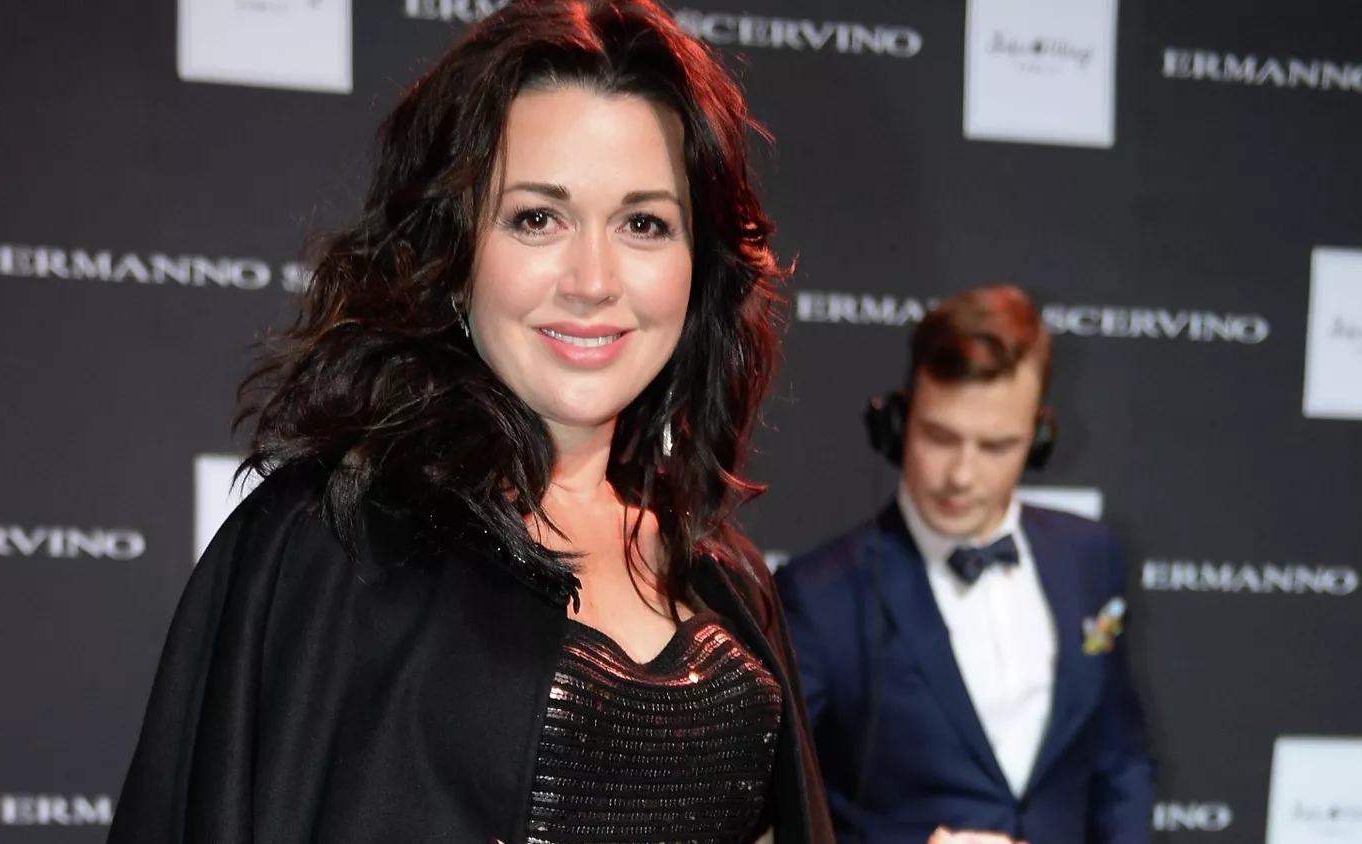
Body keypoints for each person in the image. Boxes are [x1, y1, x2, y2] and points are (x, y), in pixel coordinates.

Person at [104, 2, 833, 842]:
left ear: (697, 269)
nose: (592, 280)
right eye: (537, 218)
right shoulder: (328, 551)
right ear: (453, 255)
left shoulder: (728, 579)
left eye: (644, 224)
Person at [774, 286, 1154, 844]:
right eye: (940, 436)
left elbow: (1120, 759)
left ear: (1039, 438)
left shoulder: (1090, 555)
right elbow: (776, 810)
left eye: (996, 446)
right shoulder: (817, 595)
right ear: (898, 421)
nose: (961, 476)